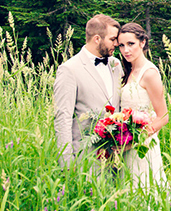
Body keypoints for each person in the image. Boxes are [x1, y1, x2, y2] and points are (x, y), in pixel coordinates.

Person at [53, 14, 123, 169]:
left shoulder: (116, 64)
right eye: (112, 39)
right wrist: (67, 164)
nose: (117, 44)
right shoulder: (69, 70)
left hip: (116, 159)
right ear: (97, 39)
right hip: (86, 159)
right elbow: (62, 119)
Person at [116, 22, 169, 191]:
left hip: (142, 147)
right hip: (124, 146)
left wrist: (135, 140)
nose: (126, 50)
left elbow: (163, 116)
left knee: (144, 193)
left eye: (130, 44)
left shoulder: (150, 73)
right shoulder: (127, 71)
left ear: (142, 42)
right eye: (121, 45)